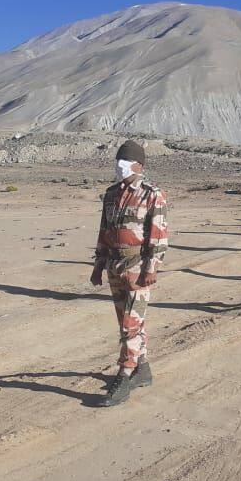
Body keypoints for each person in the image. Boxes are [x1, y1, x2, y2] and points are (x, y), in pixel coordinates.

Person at [90, 140, 168, 407]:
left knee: (129, 326)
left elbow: (158, 235)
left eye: (124, 162)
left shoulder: (151, 194)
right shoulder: (111, 194)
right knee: (128, 323)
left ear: (139, 166)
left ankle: (123, 376)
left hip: (138, 268)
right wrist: (98, 265)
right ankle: (142, 368)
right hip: (115, 267)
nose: (118, 166)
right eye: (117, 161)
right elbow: (104, 232)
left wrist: (151, 268)